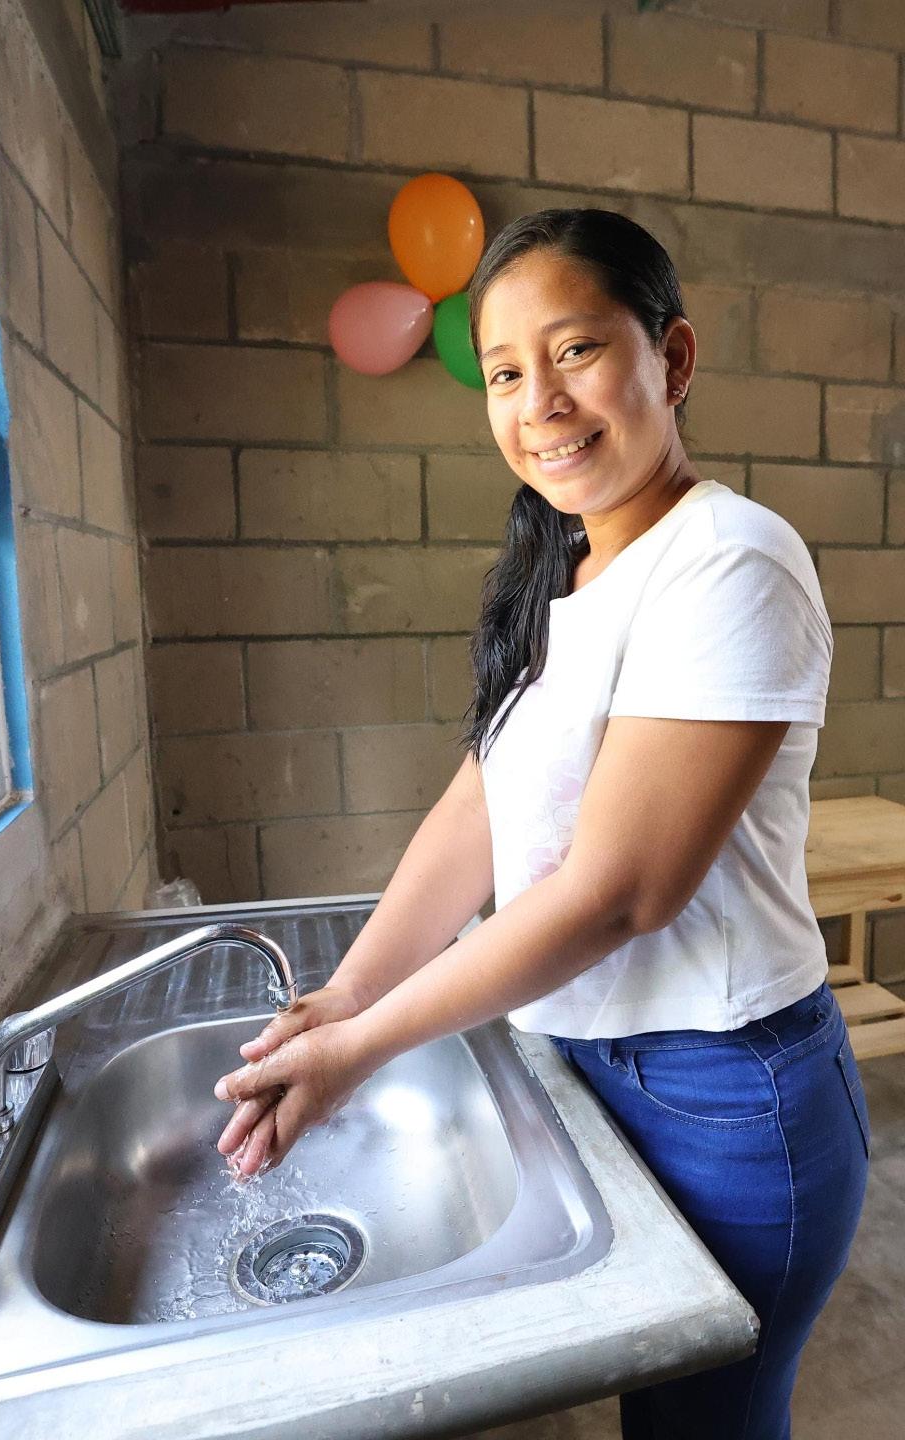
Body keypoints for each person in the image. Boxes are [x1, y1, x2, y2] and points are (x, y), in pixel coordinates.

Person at [212, 208, 870, 1439]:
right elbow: (477, 804)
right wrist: (346, 997)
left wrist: (363, 1048)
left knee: (701, 1428)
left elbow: (618, 891)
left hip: (725, 1094)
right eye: (505, 373)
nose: (540, 403)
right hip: (589, 1062)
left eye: (574, 351)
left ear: (670, 357)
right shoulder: (563, 571)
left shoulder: (730, 560)